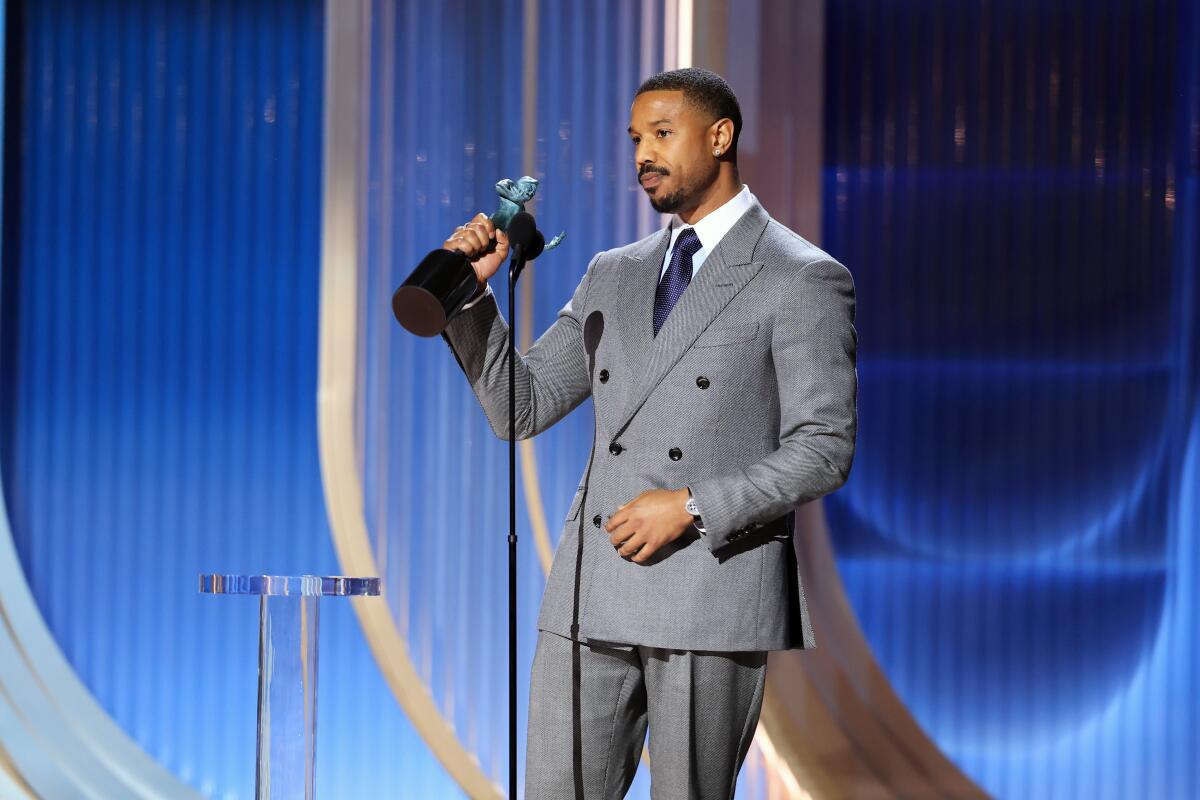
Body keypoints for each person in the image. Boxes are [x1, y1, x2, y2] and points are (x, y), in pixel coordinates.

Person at [439, 67, 857, 799]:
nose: (643, 155)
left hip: (711, 585)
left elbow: (823, 448)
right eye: (636, 138)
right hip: (588, 590)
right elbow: (522, 406)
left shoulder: (801, 276)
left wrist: (692, 504)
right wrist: (471, 301)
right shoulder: (614, 272)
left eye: (662, 134)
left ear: (721, 136)